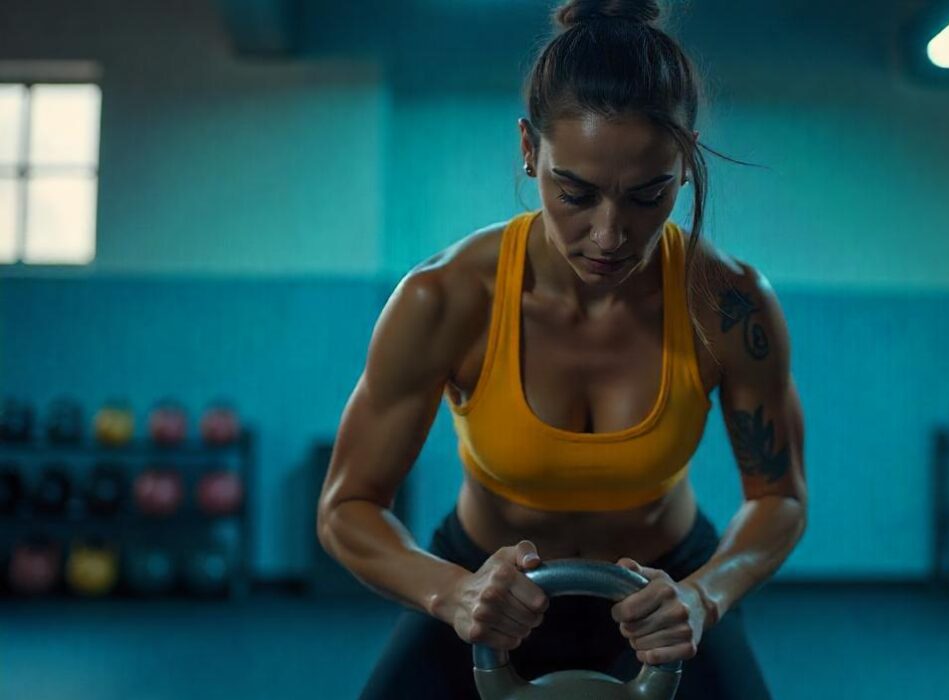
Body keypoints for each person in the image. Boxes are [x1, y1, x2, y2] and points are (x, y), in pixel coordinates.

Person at [317, 1, 807, 697]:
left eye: (648, 194)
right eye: (575, 193)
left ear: (685, 163)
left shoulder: (730, 307)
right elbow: (346, 506)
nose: (610, 235)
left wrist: (704, 597)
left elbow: (779, 497)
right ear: (529, 150)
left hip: (665, 595)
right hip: (488, 589)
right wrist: (452, 594)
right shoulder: (446, 299)